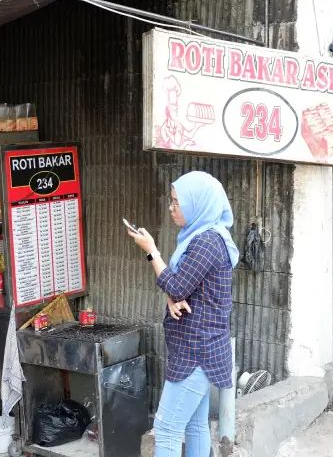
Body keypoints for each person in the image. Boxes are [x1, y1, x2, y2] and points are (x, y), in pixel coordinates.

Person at [127, 171, 239, 457]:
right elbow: (180, 286)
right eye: (171, 200)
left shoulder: (206, 242)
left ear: (197, 203)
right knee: (195, 425)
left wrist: (152, 252)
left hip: (196, 352)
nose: (171, 208)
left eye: (177, 202)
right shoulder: (201, 237)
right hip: (200, 348)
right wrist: (170, 295)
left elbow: (177, 286)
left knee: (166, 430)